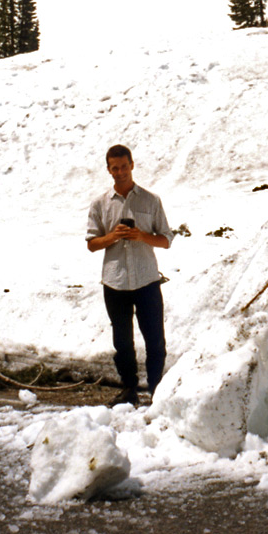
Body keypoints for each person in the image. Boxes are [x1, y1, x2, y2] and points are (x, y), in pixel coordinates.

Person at [86, 144, 174, 406]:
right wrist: (112, 237)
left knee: (155, 339)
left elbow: (167, 239)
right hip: (115, 282)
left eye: (124, 166)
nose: (120, 172)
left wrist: (142, 236)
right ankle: (129, 389)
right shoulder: (100, 204)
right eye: (115, 168)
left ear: (132, 165)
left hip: (147, 280)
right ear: (108, 170)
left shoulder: (151, 200)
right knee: (122, 342)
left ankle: (157, 389)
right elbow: (91, 244)